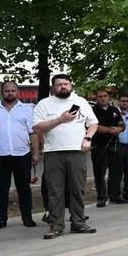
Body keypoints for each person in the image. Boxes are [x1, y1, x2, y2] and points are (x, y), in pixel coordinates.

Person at [33, 73, 98, 239]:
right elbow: (37, 128)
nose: (63, 87)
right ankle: (56, 225)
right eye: (59, 85)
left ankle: (78, 222)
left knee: (77, 188)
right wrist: (60, 120)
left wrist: (88, 138)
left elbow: (93, 123)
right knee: (55, 190)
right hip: (53, 152)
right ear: (53, 87)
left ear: (71, 85)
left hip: (76, 151)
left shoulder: (80, 102)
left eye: (66, 84)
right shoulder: (44, 104)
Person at [0, 81, 37, 228]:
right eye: (7, 91)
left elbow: (33, 132)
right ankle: (1, 219)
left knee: (24, 188)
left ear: (17, 92)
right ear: (2, 92)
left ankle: (27, 217)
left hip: (22, 154)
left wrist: (36, 152)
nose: (10, 93)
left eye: (13, 91)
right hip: (0, 154)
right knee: (1, 189)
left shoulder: (27, 109)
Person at [90, 88, 123, 207]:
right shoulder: (92, 111)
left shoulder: (114, 110)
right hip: (99, 146)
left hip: (114, 145)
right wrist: (110, 130)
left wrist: (119, 129)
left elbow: (121, 124)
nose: (103, 98)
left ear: (108, 97)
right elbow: (93, 126)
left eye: (105, 96)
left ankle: (115, 195)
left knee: (116, 172)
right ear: (96, 98)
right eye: (100, 96)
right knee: (99, 173)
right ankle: (101, 197)